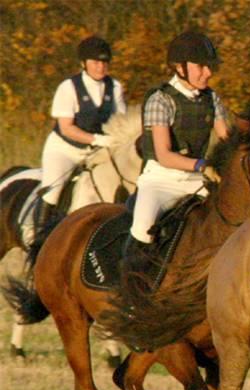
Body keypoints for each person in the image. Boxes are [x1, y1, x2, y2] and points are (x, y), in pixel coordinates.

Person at [127, 30, 229, 255]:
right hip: (161, 181)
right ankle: (127, 283)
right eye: (201, 66)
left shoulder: (212, 98)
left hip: (198, 181)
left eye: (210, 67)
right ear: (180, 68)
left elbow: (227, 140)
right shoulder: (160, 100)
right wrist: (202, 165)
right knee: (143, 230)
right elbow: (164, 155)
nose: (208, 73)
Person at [36, 36, 126, 229]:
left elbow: (121, 122)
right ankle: (38, 236)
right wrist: (97, 139)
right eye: (95, 62)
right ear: (84, 63)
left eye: (104, 62)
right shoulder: (68, 87)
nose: (101, 67)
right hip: (65, 149)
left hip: (96, 152)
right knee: (53, 190)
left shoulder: (115, 87)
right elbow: (66, 128)